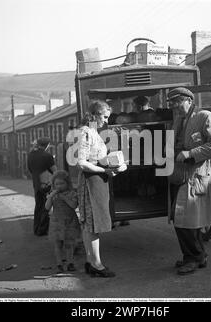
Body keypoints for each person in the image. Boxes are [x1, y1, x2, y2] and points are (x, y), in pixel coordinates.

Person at [167, 87, 211, 275]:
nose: (174, 107)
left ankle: (194, 258)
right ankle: (197, 256)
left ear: (188, 100)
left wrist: (191, 153)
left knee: (184, 221)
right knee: (185, 221)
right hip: (179, 174)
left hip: (196, 176)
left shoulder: (204, 116)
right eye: (172, 104)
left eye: (177, 102)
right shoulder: (178, 119)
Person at [77, 100, 127, 278]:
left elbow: (95, 158)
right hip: (91, 182)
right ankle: (97, 265)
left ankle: (91, 262)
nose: (106, 121)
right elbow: (82, 163)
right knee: (93, 224)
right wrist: (105, 169)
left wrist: (114, 164)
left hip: (98, 180)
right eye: (104, 117)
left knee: (90, 224)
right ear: (95, 114)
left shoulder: (92, 131)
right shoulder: (85, 132)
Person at [45, 170, 81, 273]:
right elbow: (47, 207)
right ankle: (59, 264)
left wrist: (64, 197)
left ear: (67, 183)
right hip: (56, 223)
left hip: (70, 222)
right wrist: (50, 197)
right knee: (58, 245)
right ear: (53, 185)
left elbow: (74, 206)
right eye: (57, 184)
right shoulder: (53, 195)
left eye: (62, 183)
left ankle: (70, 263)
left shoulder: (72, 193)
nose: (59, 186)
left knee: (69, 244)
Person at [27, 137, 57, 236]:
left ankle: (36, 229)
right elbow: (55, 171)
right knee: (46, 207)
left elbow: (30, 170)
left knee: (38, 206)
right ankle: (42, 230)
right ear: (47, 145)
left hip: (36, 183)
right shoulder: (47, 156)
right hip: (46, 184)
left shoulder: (30, 155)